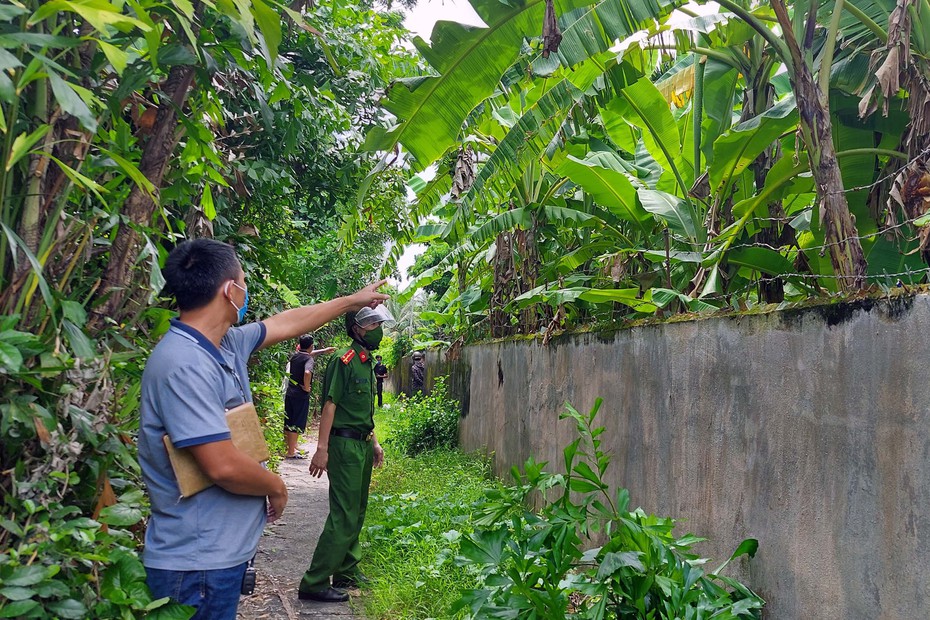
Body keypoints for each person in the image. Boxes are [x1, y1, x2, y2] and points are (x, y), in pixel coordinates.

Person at [138, 239, 387, 619]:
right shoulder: (184, 363)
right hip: (196, 564)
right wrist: (276, 486)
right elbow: (221, 466)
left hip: (218, 558)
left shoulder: (225, 344)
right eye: (242, 280)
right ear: (230, 290)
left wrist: (351, 301)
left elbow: (288, 321)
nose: (245, 288)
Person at [298, 305, 395, 603]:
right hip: (344, 446)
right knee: (344, 514)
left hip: (363, 444)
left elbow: (363, 410)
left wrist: (375, 442)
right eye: (371, 324)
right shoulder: (344, 360)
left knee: (358, 509)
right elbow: (331, 405)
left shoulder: (365, 362)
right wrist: (321, 449)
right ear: (357, 328)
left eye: (379, 323)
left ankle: (346, 570)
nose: (377, 328)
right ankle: (314, 582)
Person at [284, 335, 335, 459]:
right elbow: (307, 372)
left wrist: (323, 351)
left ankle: (291, 447)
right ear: (311, 346)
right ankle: (291, 452)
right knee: (297, 421)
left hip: (290, 393)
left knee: (289, 420)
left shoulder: (295, 356)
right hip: (301, 395)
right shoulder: (309, 360)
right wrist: (306, 387)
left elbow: (308, 354)